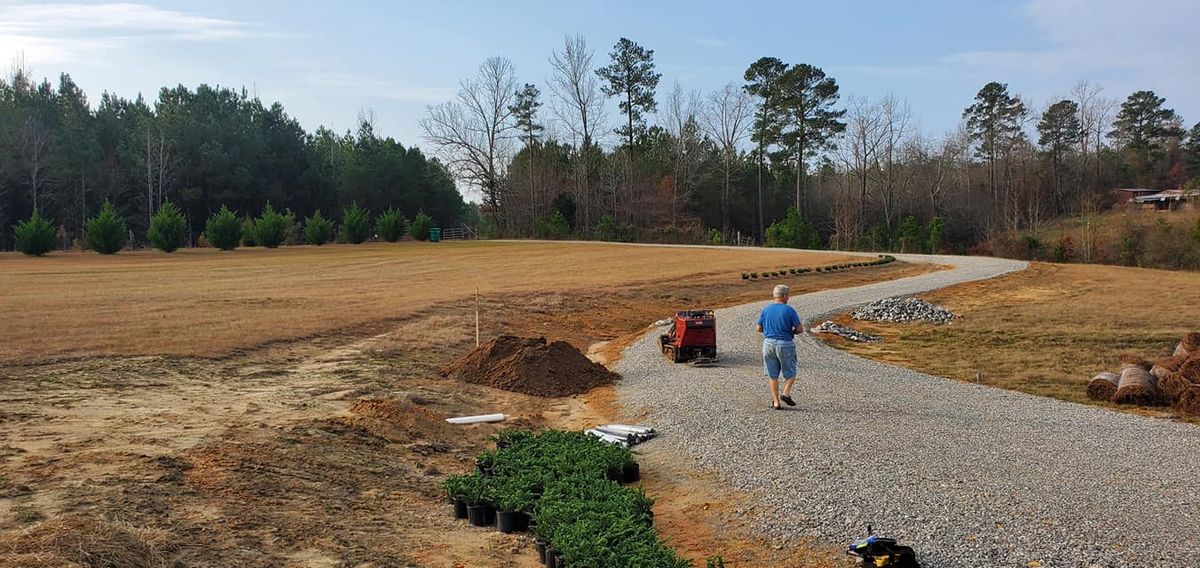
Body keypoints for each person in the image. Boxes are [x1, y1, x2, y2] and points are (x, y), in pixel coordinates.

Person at [756, 284, 804, 410]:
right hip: (785, 344)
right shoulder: (789, 310)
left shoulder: (766, 309)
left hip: (768, 344)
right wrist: (791, 332)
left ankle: (776, 402)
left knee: (773, 375)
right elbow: (800, 329)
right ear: (784, 295)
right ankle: (786, 393)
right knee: (791, 372)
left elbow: (758, 328)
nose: (788, 298)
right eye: (788, 295)